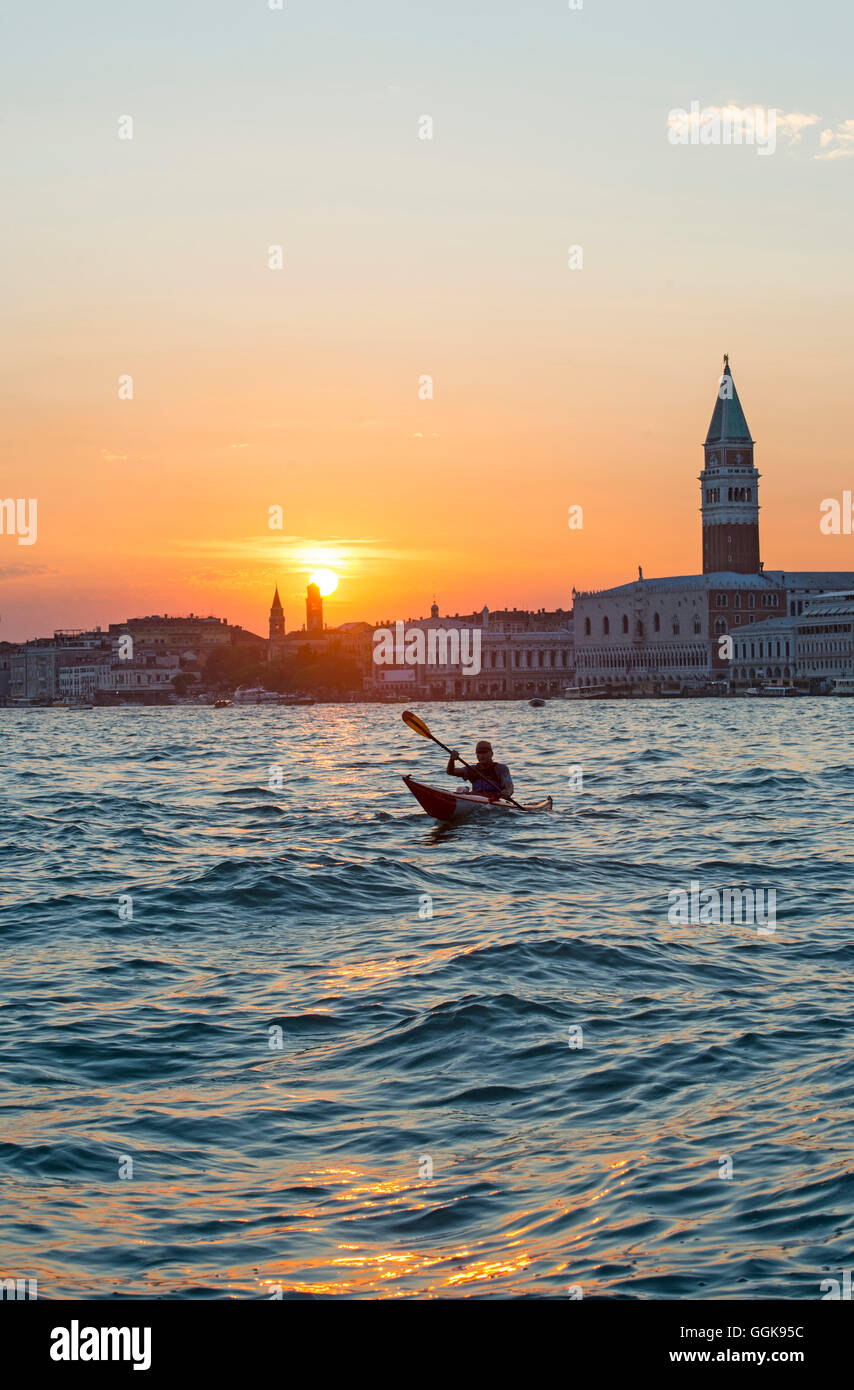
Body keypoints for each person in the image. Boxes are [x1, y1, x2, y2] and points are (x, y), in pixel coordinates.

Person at [446, 740, 514, 800]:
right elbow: (450, 772)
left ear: (491, 754)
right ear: (476, 755)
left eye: (484, 752)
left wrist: (507, 792)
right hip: (475, 798)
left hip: (494, 799)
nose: (482, 756)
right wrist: (451, 760)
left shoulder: (501, 768)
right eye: (479, 753)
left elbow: (509, 787)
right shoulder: (472, 769)